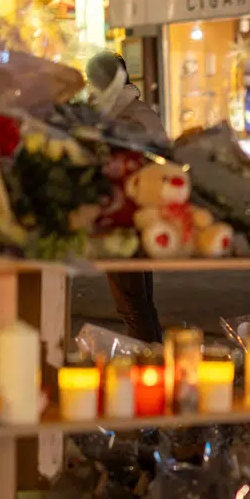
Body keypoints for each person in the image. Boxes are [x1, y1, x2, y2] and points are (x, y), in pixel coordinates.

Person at [85, 51, 165, 343]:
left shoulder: (128, 118)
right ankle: (153, 355)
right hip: (133, 215)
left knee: (132, 304)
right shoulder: (132, 112)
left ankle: (150, 362)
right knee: (138, 303)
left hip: (128, 217)